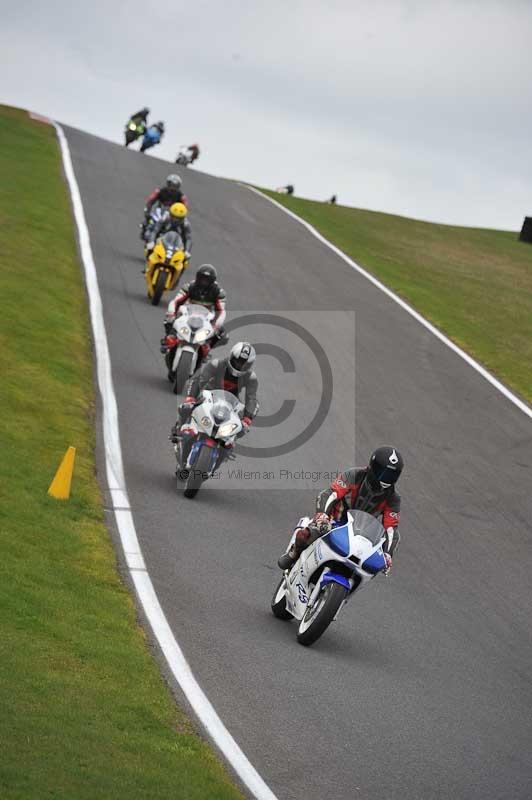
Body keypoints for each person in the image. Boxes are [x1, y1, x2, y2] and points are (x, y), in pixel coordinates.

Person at [277, 446, 404, 573]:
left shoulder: (393, 498)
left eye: (391, 476)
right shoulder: (354, 475)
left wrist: (387, 554)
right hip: (333, 522)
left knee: (372, 566)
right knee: (307, 535)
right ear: (372, 466)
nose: (385, 479)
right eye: (382, 472)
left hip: (361, 536)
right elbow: (330, 494)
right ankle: (294, 553)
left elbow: (391, 528)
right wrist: (322, 515)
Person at [172, 342, 259, 460]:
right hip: (208, 395)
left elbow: (251, 398)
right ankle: (179, 429)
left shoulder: (251, 377)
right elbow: (199, 380)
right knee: (187, 407)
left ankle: (228, 445)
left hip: (230, 404)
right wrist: (191, 398)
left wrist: (247, 418)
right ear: (231, 356)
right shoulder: (216, 364)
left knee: (241, 427)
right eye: (237, 361)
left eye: (244, 364)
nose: (239, 366)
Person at [161, 264, 228, 369]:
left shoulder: (219, 292)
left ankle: (207, 347)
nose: (203, 282)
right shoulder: (189, 286)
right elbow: (176, 301)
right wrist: (171, 312)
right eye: (201, 278)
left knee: (222, 333)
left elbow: (221, 311)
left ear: (212, 281)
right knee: (169, 319)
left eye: (206, 280)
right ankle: (169, 338)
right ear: (197, 277)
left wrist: (217, 325)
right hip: (187, 314)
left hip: (207, 318)